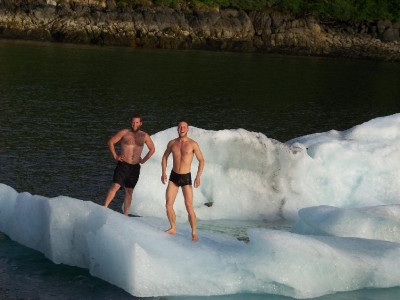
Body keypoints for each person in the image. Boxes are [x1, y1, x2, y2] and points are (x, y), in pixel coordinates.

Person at [161, 121, 205, 241]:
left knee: (189, 206)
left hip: (186, 177)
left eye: (184, 127)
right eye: (180, 127)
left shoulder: (193, 144)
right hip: (173, 176)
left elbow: (201, 160)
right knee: (168, 204)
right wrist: (163, 172)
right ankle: (173, 227)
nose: (182, 129)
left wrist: (198, 176)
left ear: (188, 129)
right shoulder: (172, 143)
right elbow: (165, 157)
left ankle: (194, 233)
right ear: (177, 129)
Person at [104, 114, 155, 216]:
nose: (134, 124)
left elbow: (152, 149)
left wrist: (144, 160)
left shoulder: (144, 135)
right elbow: (111, 142)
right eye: (133, 122)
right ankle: (104, 207)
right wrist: (115, 156)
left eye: (137, 122)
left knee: (129, 191)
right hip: (123, 164)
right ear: (130, 123)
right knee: (116, 185)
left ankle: (125, 215)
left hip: (135, 167)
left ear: (140, 123)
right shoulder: (124, 132)